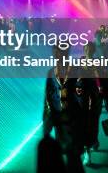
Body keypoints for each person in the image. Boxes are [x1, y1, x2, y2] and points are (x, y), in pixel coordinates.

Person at [43, 44, 84, 173]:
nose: (55, 56)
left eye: (58, 53)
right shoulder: (51, 72)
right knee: (61, 149)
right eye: (54, 53)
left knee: (74, 152)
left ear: (65, 53)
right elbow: (48, 95)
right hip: (58, 116)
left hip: (74, 115)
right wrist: (47, 119)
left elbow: (82, 91)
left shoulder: (76, 70)